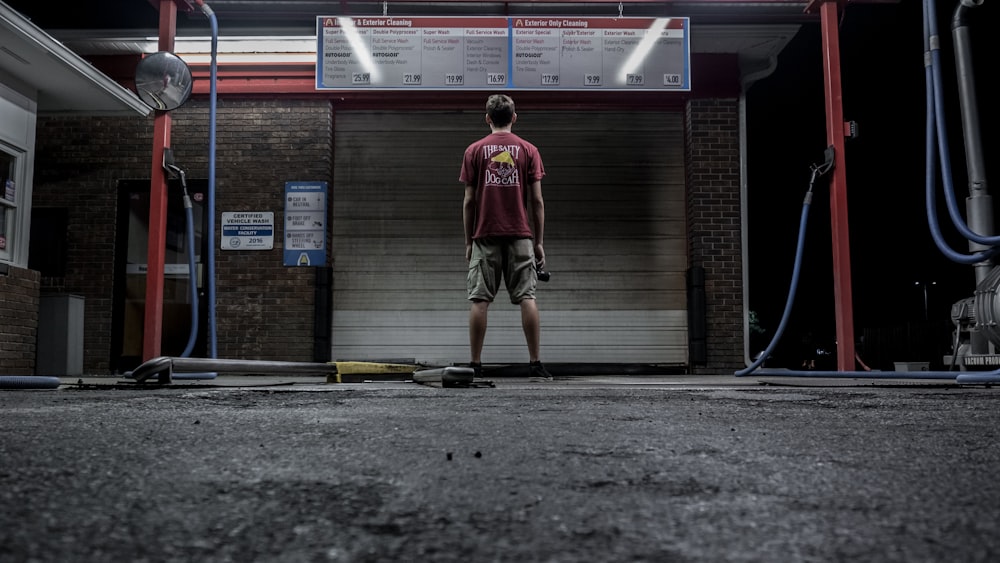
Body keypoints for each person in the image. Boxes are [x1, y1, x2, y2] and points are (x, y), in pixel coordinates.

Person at [460, 94, 553, 381]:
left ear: (487, 118)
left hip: (484, 234)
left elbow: (469, 201)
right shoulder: (529, 150)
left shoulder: (474, 151)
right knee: (527, 297)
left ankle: (475, 364)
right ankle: (535, 364)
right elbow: (537, 201)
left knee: (479, 300)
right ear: (514, 117)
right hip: (520, 234)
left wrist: (468, 241)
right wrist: (538, 242)